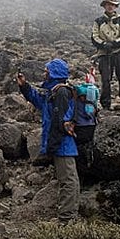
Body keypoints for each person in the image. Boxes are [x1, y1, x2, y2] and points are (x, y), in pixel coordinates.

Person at [16, 58, 80, 221]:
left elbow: (61, 122)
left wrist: (53, 145)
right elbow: (38, 100)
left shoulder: (61, 93)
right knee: (66, 179)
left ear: (54, 73)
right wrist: (24, 86)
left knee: (68, 181)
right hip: (59, 143)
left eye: (47, 71)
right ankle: (67, 216)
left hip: (63, 144)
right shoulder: (52, 93)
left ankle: (67, 219)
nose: (44, 74)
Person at [91, 0, 120, 111]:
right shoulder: (98, 21)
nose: (110, 6)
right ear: (104, 6)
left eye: (112, 4)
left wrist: (114, 43)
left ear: (115, 7)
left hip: (119, 52)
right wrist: (104, 44)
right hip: (104, 53)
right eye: (108, 4)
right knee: (105, 79)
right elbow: (94, 36)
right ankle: (105, 104)